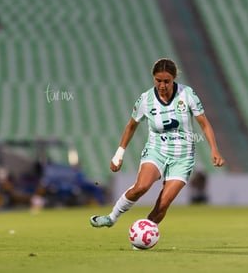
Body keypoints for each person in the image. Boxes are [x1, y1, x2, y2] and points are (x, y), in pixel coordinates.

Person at [90, 58, 224, 228]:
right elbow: (131, 126)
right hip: (156, 150)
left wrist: (214, 150)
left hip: (183, 157)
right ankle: (112, 217)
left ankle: (143, 236)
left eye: (166, 81)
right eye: (158, 80)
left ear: (174, 79)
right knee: (141, 187)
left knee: (163, 204)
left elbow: (204, 123)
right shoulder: (146, 100)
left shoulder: (187, 94)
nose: (162, 85)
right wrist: (119, 154)